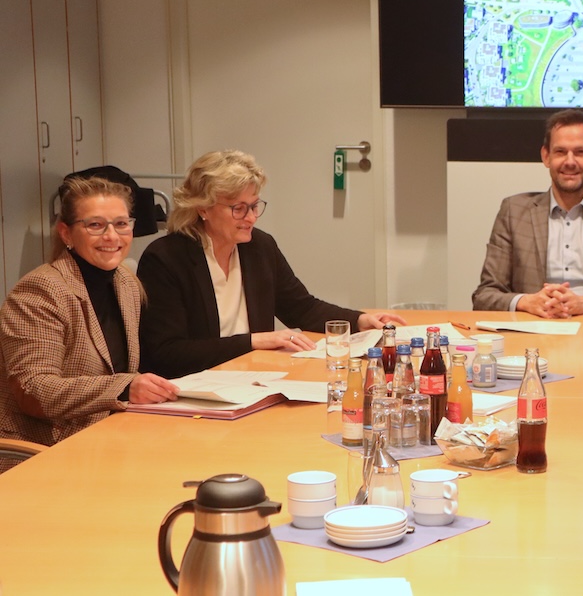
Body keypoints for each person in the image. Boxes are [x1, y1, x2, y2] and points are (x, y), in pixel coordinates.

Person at [138, 150, 403, 378]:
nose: (251, 218)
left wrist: (359, 321)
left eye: (254, 206)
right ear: (203, 209)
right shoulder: (165, 259)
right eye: (238, 208)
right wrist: (253, 342)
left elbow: (301, 307)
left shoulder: (259, 247)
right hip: (191, 390)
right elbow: (166, 353)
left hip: (252, 378)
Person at [0, 177, 179, 468]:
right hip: (44, 450)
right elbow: (35, 390)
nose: (112, 236)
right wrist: (124, 388)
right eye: (95, 225)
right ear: (66, 233)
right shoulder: (41, 291)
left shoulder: (127, 283)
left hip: (109, 437)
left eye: (121, 224)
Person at [472, 109, 583, 317]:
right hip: (531, 332)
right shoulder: (513, 212)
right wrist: (527, 301)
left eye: (580, 152)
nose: (570, 162)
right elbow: (484, 296)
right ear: (546, 156)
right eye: (560, 152)